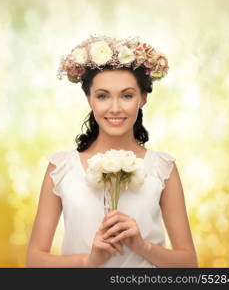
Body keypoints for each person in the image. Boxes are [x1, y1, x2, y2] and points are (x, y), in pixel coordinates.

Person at [26, 35, 198, 268]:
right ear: (89, 99)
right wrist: (89, 261)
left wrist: (142, 246)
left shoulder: (162, 167)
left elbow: (188, 263)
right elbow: (34, 261)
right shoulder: (61, 168)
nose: (115, 108)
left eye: (127, 95)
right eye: (103, 96)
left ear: (143, 98)